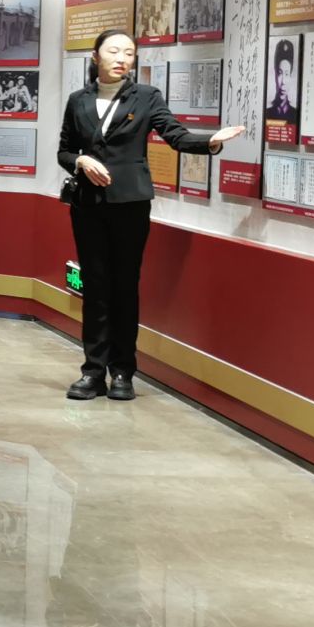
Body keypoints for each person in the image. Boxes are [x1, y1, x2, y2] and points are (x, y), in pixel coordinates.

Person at [57, 29, 246, 402]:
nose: (122, 58)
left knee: (124, 287)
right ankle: (92, 372)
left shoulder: (146, 97)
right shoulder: (78, 100)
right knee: (95, 287)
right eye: (114, 51)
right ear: (95, 56)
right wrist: (80, 161)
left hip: (130, 204)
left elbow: (175, 135)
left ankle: (122, 372)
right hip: (88, 205)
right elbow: (64, 149)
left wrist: (210, 141)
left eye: (129, 52)